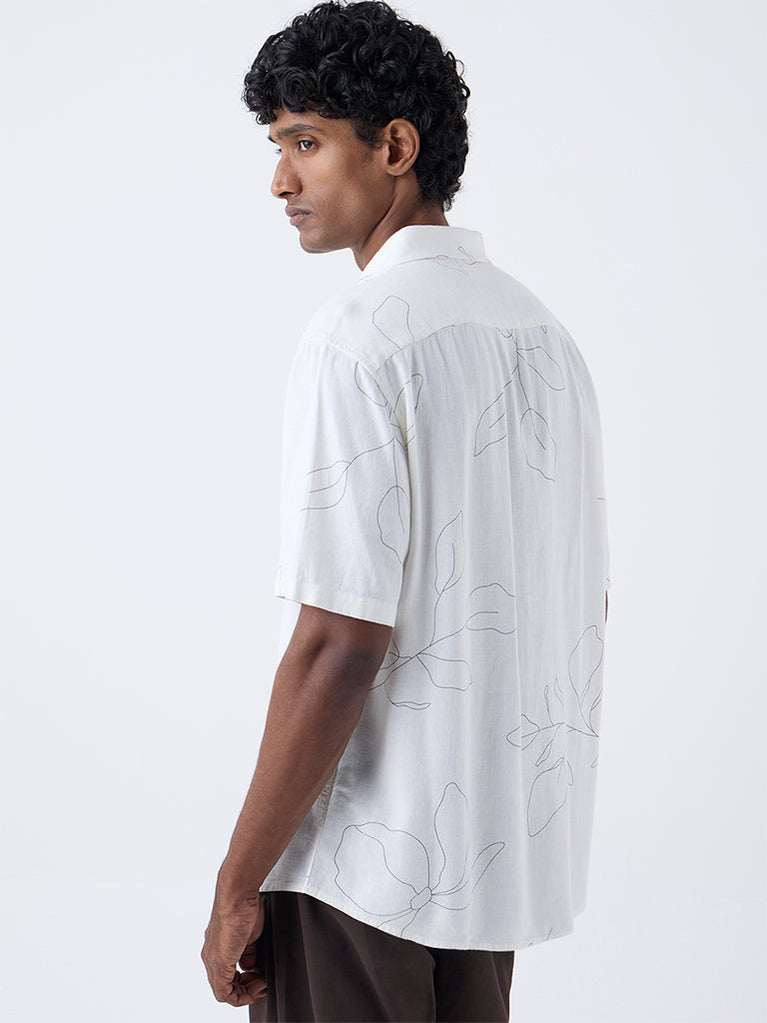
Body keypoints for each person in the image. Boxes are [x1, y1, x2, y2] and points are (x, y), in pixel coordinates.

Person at [201, 2, 610, 1019]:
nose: (279, 180)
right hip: (493, 867)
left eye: (304, 142)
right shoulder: (543, 337)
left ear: (393, 147)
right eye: (276, 145)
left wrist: (236, 880)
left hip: (360, 873)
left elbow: (338, 642)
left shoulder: (357, 337)